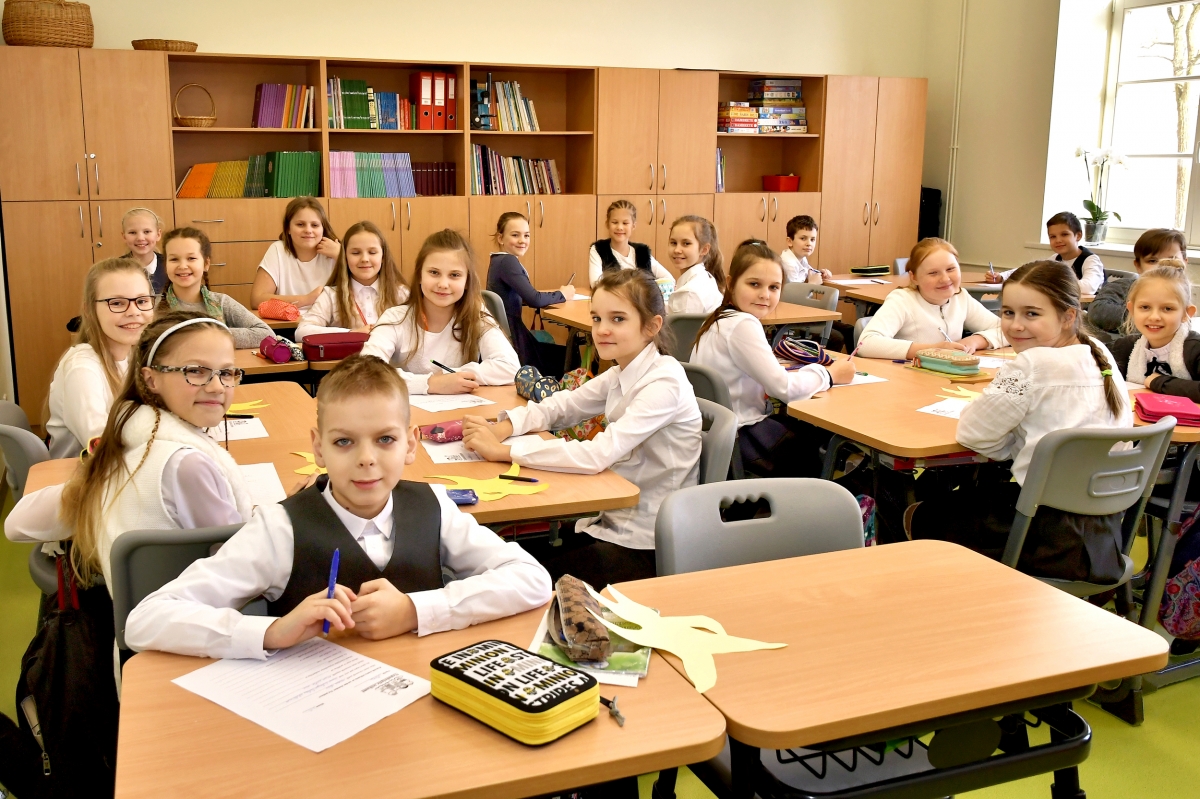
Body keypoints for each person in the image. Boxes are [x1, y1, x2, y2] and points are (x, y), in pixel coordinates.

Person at [124, 354, 552, 659]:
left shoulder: (434, 506)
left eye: (385, 439)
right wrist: (272, 631)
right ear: (318, 448)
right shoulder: (280, 528)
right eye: (344, 441)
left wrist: (416, 610)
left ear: (410, 445)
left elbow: (532, 579)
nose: (366, 459)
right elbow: (146, 620)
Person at [461, 269, 701, 586]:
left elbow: (597, 455)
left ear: (652, 326)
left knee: (516, 581)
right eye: (597, 318)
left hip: (646, 541)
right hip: (608, 520)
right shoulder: (623, 370)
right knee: (499, 564)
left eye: (618, 319)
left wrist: (504, 452)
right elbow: (564, 405)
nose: (601, 330)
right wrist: (505, 426)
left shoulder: (664, 383)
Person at [907, 261, 1131, 583]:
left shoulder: (1031, 364)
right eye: (1008, 312)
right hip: (1104, 536)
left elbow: (974, 436)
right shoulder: (1099, 352)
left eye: (1032, 314)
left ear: (1068, 316)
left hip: (1042, 536)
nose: (1015, 325)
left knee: (917, 510)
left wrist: (1013, 444)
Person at [7, 312, 253, 590]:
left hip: (143, 609)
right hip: (196, 609)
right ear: (151, 379)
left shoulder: (129, 440)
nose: (217, 386)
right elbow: (243, 562)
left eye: (227, 373)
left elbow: (16, 523)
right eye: (195, 371)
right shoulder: (187, 465)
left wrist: (85, 490)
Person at [692, 240, 854, 477]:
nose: (764, 295)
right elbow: (784, 388)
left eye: (774, 287)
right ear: (730, 283)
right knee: (826, 435)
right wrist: (829, 374)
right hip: (745, 440)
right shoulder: (743, 324)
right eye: (754, 284)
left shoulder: (720, 319)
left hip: (721, 439)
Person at [363, 229, 519, 394]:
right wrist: (430, 383)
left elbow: (510, 367)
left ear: (467, 281)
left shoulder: (476, 316)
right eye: (434, 273)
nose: (443, 284)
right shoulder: (395, 318)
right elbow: (366, 372)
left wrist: (453, 375)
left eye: (454, 275)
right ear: (419, 275)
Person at [46, 258, 155, 458]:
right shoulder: (81, 368)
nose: (134, 312)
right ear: (89, 310)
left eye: (142, 301)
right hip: (84, 473)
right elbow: (104, 447)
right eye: (117, 303)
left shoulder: (137, 355)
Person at [857, 238, 1005, 360]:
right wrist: (933, 350)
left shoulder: (961, 297)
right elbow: (866, 344)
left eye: (951, 269)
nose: (945, 279)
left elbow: (1005, 330)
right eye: (933, 273)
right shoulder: (902, 301)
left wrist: (974, 341)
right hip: (909, 378)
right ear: (914, 277)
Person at [484, 211, 574, 373]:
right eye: (515, 235)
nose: (522, 240)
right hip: (515, 341)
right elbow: (535, 299)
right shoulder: (508, 261)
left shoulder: (497, 260)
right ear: (500, 238)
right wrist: (563, 294)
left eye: (526, 235)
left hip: (507, 336)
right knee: (570, 356)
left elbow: (523, 296)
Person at [160, 227, 272, 349]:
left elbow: (266, 334)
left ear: (206, 264)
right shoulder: (153, 307)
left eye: (191, 258)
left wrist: (210, 335)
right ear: (165, 264)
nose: (182, 266)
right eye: (174, 259)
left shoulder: (221, 302)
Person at [295, 220, 408, 339]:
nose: (364, 259)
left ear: (383, 256)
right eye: (355, 253)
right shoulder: (331, 295)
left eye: (372, 252)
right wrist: (351, 334)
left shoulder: (401, 293)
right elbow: (301, 332)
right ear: (345, 257)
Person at [1110, 261, 1200, 399]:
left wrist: (1159, 382)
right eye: (1145, 307)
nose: (1154, 317)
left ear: (1186, 313)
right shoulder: (1124, 347)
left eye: (1167, 308)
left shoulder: (1195, 349)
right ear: (1132, 310)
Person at [1088, 228, 1187, 337]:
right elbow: (1097, 311)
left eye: (1172, 259)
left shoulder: (1184, 293)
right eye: (1152, 261)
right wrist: (1144, 316)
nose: (1162, 266)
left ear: (1184, 262)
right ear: (1138, 265)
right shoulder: (1123, 286)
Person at [251, 197, 341, 310]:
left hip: (327, 320)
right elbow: (257, 300)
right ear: (288, 228)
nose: (308, 230)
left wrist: (340, 256)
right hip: (289, 320)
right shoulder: (278, 250)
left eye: (315, 225)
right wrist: (307, 299)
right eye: (300, 224)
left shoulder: (336, 252)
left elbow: (359, 295)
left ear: (323, 228)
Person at [985, 212, 1105, 295]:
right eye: (1053, 236)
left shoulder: (1090, 260)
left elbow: (1088, 287)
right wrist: (1001, 277)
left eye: (1064, 234)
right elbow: (1029, 270)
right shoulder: (1055, 258)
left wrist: (1052, 282)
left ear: (1078, 236)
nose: (1058, 240)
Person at [587, 199, 675, 289]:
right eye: (615, 222)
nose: (620, 227)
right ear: (607, 224)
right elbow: (596, 284)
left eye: (625, 223)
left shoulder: (642, 252)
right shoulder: (598, 249)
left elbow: (669, 279)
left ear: (633, 226)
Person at [665, 215, 725, 315]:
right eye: (673, 243)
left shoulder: (689, 292)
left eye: (686, 243)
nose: (677, 250)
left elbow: (681, 324)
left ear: (704, 249)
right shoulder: (704, 277)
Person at [780, 215, 832, 284]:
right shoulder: (788, 264)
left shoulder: (801, 258)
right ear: (790, 241)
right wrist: (813, 284)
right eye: (803, 238)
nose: (809, 243)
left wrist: (820, 273)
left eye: (812, 239)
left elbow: (809, 273)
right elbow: (793, 290)